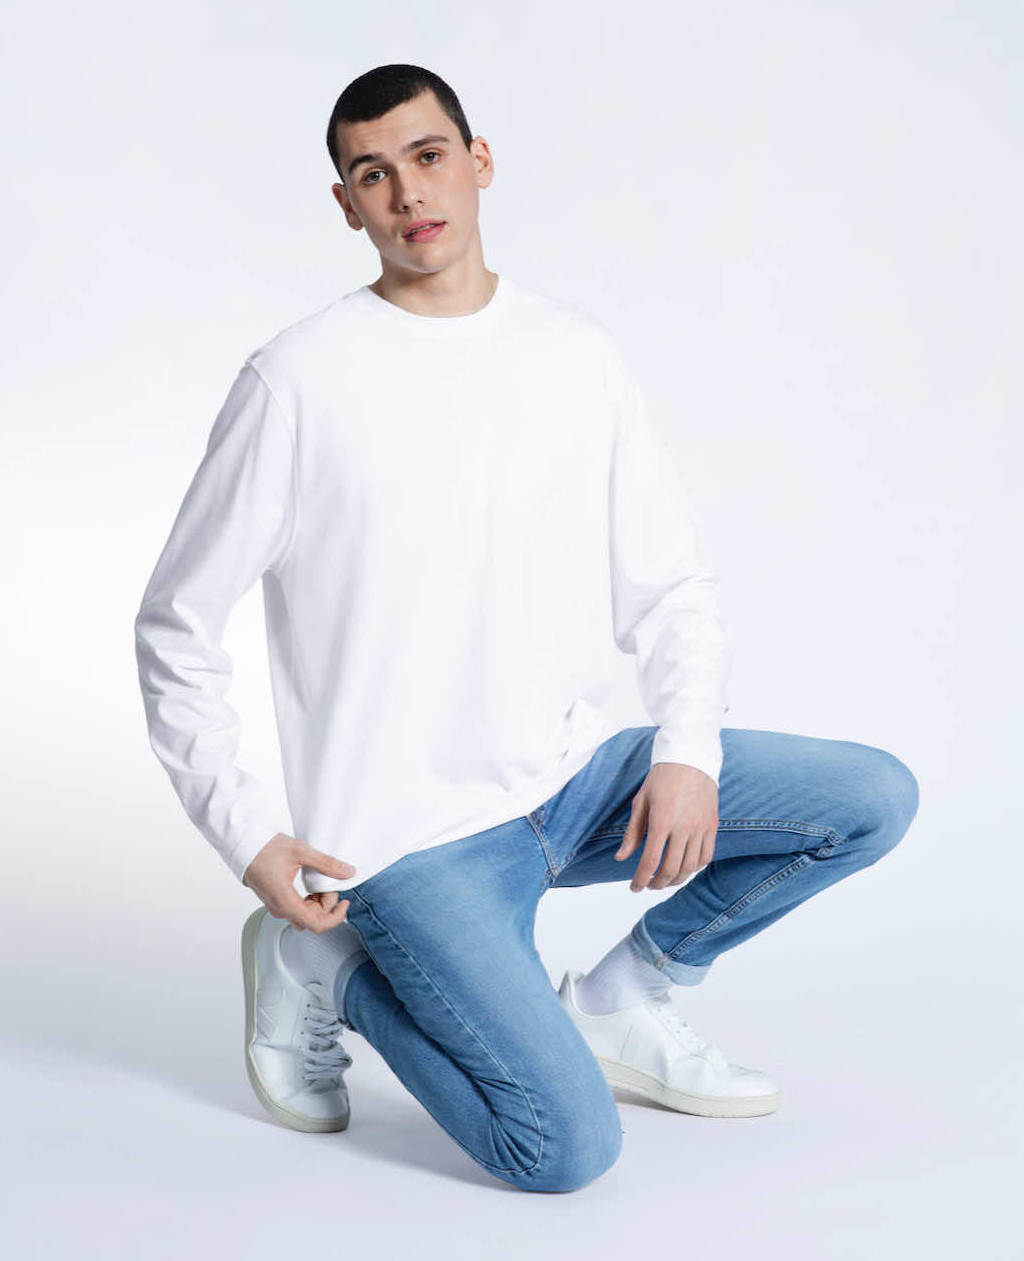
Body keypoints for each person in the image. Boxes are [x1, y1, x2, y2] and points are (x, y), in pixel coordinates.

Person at [133, 63, 920, 1193]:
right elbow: (175, 625)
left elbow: (672, 582)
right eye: (373, 172)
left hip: (576, 780)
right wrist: (250, 832)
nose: (408, 191)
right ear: (346, 204)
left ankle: (624, 998)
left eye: (428, 155)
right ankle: (326, 971)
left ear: (479, 160)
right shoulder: (296, 382)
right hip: (413, 842)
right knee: (562, 1147)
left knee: (868, 797)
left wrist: (687, 754)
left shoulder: (574, 355)